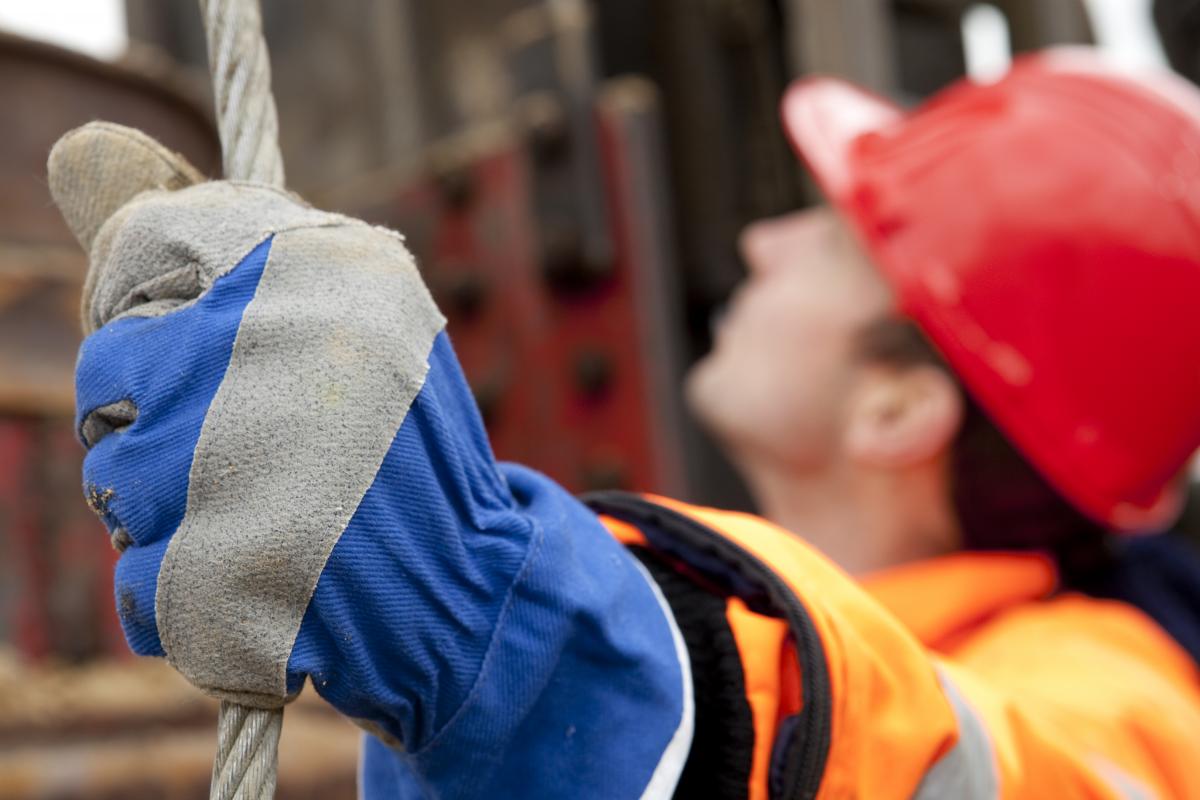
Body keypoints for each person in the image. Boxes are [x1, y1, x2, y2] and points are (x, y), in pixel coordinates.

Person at [47, 48, 1200, 798]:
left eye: (838, 239)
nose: (761, 242)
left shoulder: (1128, 697)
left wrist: (514, 646)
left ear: (899, 403)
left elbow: (923, 759)